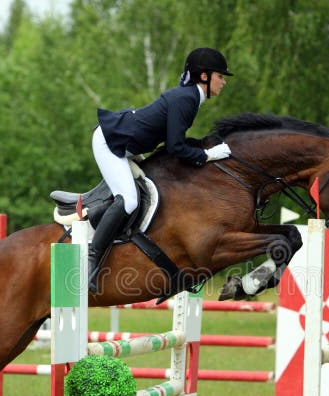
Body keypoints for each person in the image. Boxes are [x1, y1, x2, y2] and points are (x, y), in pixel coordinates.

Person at [88, 47, 234, 291]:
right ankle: (91, 260)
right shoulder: (187, 99)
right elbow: (175, 147)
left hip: (127, 143)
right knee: (130, 201)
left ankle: (101, 219)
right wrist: (207, 155)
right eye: (221, 76)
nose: (224, 82)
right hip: (111, 142)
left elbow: (173, 143)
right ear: (205, 76)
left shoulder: (191, 97)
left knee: (145, 188)